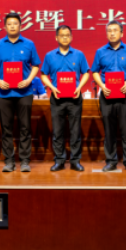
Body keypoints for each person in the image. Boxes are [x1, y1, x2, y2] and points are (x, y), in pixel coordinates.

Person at [0, 12, 41, 173]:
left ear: (20, 26)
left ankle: (24, 161)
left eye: (15, 23)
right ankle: (9, 161)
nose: (12, 26)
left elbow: (36, 65)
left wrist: (29, 80)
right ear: (4, 26)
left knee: (25, 127)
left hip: (24, 93)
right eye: (9, 24)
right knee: (6, 128)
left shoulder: (29, 44)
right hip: (4, 93)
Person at [91, 21, 126, 172]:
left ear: (122, 33)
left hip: (125, 93)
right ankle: (111, 161)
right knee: (109, 129)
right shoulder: (100, 51)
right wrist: (102, 85)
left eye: (115, 30)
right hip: (107, 93)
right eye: (109, 31)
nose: (112, 33)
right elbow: (95, 71)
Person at [40, 24, 90, 171]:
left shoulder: (79, 55)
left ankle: (75, 161)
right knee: (57, 131)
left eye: (67, 35)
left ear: (71, 37)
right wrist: (52, 87)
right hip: (57, 98)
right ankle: (59, 160)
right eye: (62, 35)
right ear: (56, 38)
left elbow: (86, 73)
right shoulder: (49, 56)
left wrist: (79, 87)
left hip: (75, 98)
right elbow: (43, 75)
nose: (65, 38)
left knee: (75, 131)